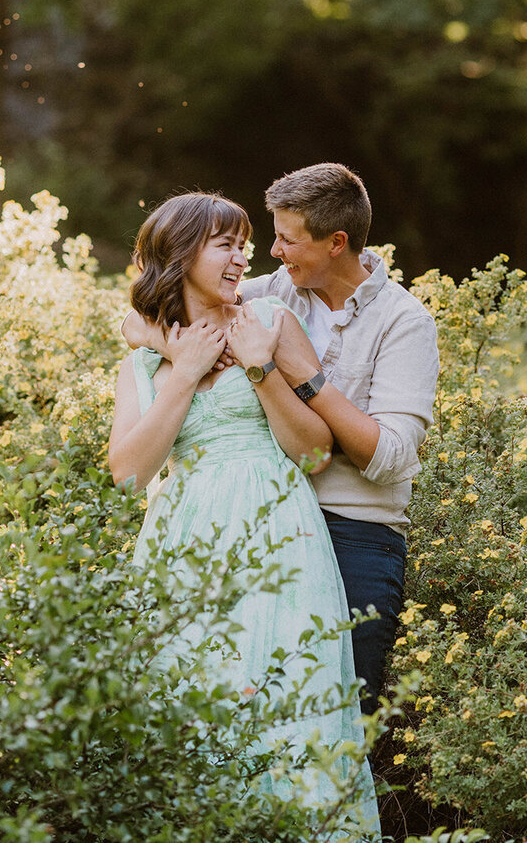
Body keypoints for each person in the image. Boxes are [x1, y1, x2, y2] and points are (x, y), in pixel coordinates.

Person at [108, 191, 381, 840]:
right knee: (191, 720)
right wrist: (181, 373)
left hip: (280, 545)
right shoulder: (143, 360)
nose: (243, 256)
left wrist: (259, 370)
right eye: (225, 243)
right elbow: (126, 477)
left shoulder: (270, 321)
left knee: (294, 718)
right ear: (180, 255)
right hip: (184, 556)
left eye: (244, 242)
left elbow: (315, 453)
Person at [123, 164, 439, 715]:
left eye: (287, 240)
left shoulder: (402, 321)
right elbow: (162, 305)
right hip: (246, 524)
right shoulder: (267, 294)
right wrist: (169, 347)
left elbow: (389, 458)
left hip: (354, 531)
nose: (269, 253)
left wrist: (300, 376)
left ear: (336, 243)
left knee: (328, 714)